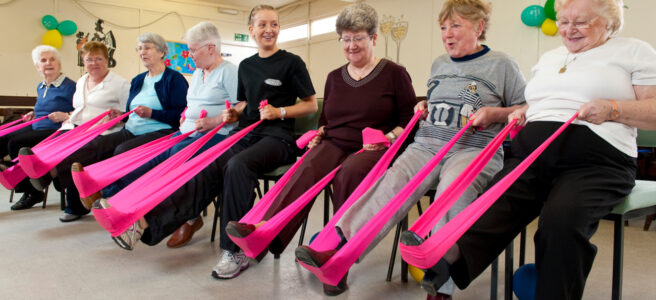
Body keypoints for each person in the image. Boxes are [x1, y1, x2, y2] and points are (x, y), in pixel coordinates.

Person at [416, 0, 656, 299]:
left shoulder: (634, 51)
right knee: (494, 203)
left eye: (580, 22)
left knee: (560, 221)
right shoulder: (551, 57)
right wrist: (526, 111)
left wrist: (613, 109)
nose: (568, 29)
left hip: (596, 161)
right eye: (564, 21)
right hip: (532, 152)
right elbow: (549, 101)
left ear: (608, 22)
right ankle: (451, 258)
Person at [294, 0, 526, 297]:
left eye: (456, 26)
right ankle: (341, 251)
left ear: (479, 27)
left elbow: (526, 108)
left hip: (473, 148)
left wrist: (495, 114)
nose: (447, 34)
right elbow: (442, 101)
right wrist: (426, 105)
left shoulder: (502, 64)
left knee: (453, 191)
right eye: (443, 27)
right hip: (427, 145)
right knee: (389, 185)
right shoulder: (440, 63)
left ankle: (440, 282)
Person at [103, 5, 317, 279]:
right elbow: (244, 105)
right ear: (251, 30)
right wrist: (231, 114)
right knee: (209, 164)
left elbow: (310, 105)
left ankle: (234, 251)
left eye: (274, 24)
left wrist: (281, 112)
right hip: (248, 133)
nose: (269, 29)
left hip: (279, 138)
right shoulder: (248, 66)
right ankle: (146, 224)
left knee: (237, 166)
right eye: (262, 24)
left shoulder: (292, 62)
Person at [224, 2, 416, 284]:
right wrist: (320, 133)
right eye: (346, 39)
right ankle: (267, 230)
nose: (351, 45)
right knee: (307, 166)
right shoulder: (334, 77)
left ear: (374, 38)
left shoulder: (394, 73)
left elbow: (409, 121)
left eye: (358, 38)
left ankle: (337, 260)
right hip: (336, 141)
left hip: (375, 148)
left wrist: (389, 137)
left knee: (348, 175)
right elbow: (326, 119)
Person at [100, 22, 238, 249]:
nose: (190, 55)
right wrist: (185, 114)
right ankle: (117, 203)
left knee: (172, 158)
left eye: (193, 50)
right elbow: (189, 105)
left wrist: (214, 121)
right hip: (187, 133)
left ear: (211, 48)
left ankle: (142, 217)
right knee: (151, 160)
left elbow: (240, 107)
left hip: (216, 135)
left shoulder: (229, 71)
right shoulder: (197, 73)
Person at [62, 33, 189, 211]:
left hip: (162, 132)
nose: (142, 52)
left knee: (122, 151)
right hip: (132, 129)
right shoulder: (138, 80)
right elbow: (132, 112)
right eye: (140, 48)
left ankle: (104, 193)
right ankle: (53, 176)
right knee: (96, 145)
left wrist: (153, 113)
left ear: (161, 52)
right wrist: (121, 114)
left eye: (147, 48)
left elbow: (181, 115)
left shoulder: (174, 79)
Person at [25, 41, 130, 222]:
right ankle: (48, 175)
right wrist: (68, 118)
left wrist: (117, 117)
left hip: (102, 132)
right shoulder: (82, 81)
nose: (93, 63)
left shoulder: (120, 84)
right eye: (89, 59)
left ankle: (67, 197)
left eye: (98, 59)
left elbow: (128, 113)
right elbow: (78, 108)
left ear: (107, 60)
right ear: (83, 61)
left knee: (74, 157)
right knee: (52, 146)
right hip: (77, 127)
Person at [0, 45, 75, 210]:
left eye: (52, 59)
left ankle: (31, 191)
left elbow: (81, 110)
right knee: (2, 138)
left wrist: (67, 115)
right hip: (37, 124)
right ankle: (7, 172)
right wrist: (33, 112)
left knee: (15, 143)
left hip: (56, 130)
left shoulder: (71, 86)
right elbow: (43, 105)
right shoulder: (41, 86)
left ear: (59, 64)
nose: (48, 63)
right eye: (43, 60)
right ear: (37, 66)